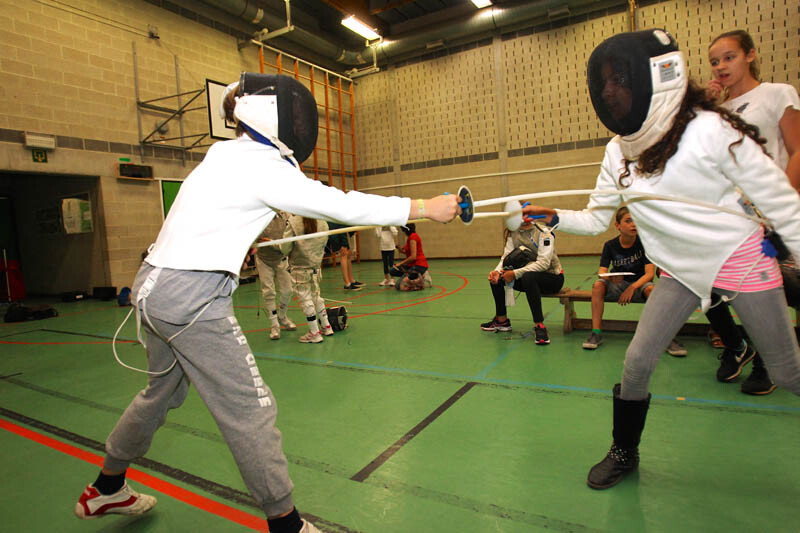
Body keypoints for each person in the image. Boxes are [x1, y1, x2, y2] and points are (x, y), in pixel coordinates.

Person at [72, 73, 460, 532]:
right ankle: (286, 524)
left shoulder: (225, 153)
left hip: (153, 288)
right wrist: (423, 207)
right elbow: (338, 203)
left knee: (162, 392)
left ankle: (107, 486)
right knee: (249, 409)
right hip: (192, 299)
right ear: (275, 116)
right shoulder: (261, 167)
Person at [522, 30, 800, 490]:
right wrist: (556, 218)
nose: (610, 92)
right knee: (636, 362)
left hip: (740, 259)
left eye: (620, 79)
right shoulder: (618, 150)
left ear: (658, 77)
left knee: (789, 372)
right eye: (604, 82)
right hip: (677, 268)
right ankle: (624, 451)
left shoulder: (710, 128)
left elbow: (783, 203)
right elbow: (596, 219)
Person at [702, 29, 800, 394]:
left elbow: (797, 149)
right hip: (733, 217)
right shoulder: (717, 112)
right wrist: (705, 108)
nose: (721, 66)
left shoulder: (777, 93)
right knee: (705, 281)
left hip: (772, 213)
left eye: (729, 57)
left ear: (750, 55)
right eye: (715, 61)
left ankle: (769, 362)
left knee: (772, 287)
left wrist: (779, 204)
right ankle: (738, 346)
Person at [582, 206, 687, 357]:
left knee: (652, 290)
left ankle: (666, 338)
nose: (633, 225)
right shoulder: (610, 245)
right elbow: (602, 272)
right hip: (618, 285)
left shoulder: (645, 244)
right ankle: (596, 333)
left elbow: (649, 274)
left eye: (636, 221)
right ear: (617, 225)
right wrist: (610, 278)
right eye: (628, 221)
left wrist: (632, 287)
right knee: (598, 286)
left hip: (640, 285)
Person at [480, 217, 564, 345]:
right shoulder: (514, 232)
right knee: (497, 278)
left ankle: (539, 326)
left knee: (528, 277)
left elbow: (544, 264)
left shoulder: (544, 233)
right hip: (527, 277)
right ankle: (502, 321)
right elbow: (506, 256)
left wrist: (514, 274)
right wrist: (497, 271)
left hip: (552, 278)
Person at [280, 216, 332, 343]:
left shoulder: (294, 222)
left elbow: (285, 248)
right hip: (316, 266)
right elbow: (324, 243)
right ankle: (326, 326)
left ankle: (314, 333)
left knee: (306, 299)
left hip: (299, 267)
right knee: (316, 296)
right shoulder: (322, 221)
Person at [253, 212, 296, 340]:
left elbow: (290, 236)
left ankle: (282, 317)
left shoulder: (285, 215)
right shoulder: (260, 216)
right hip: (264, 259)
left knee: (288, 290)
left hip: (281, 258)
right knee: (269, 292)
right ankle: (274, 325)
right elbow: (257, 238)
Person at [390, 223, 431, 289]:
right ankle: (412, 277)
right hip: (411, 265)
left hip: (419, 265)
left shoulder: (413, 237)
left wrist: (400, 263)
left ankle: (420, 278)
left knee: (398, 286)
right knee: (393, 270)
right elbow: (406, 252)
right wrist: (400, 249)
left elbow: (413, 257)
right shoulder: (410, 238)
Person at [327, 223, 362, 291]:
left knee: (348, 254)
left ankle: (351, 280)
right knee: (344, 254)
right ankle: (347, 284)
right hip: (337, 233)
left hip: (342, 231)